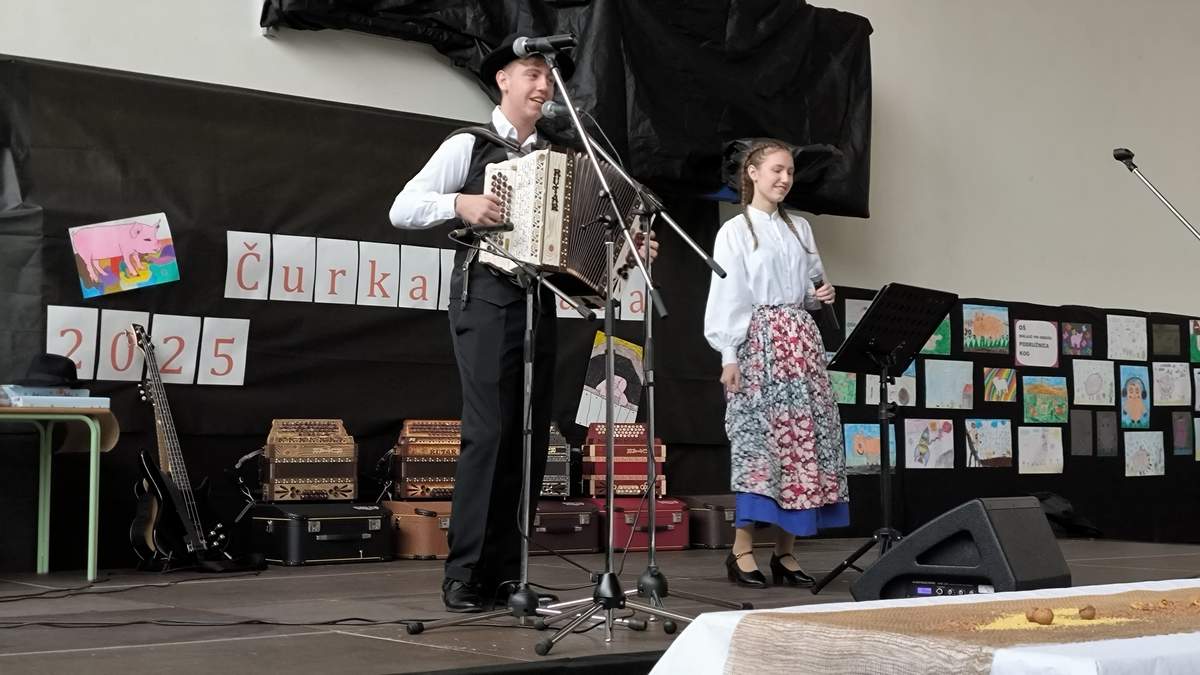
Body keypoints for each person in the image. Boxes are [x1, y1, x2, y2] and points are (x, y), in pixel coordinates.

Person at [389, 35, 655, 612]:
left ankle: (511, 573)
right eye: (532, 73)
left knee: (531, 437)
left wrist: (627, 250)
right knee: (490, 434)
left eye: (548, 77)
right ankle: (465, 574)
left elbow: (583, 239)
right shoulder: (470, 144)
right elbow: (402, 207)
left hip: (539, 301)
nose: (542, 85)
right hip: (485, 299)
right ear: (503, 80)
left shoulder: (562, 155)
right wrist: (458, 204)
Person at [703, 138, 848, 588]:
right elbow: (727, 295)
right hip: (760, 342)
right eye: (776, 170)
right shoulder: (735, 231)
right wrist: (729, 354)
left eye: (789, 172)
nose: (785, 179)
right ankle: (741, 551)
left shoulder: (800, 228)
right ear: (753, 173)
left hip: (801, 342)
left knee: (804, 443)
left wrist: (821, 294)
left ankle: (786, 553)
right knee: (760, 446)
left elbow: (809, 287)